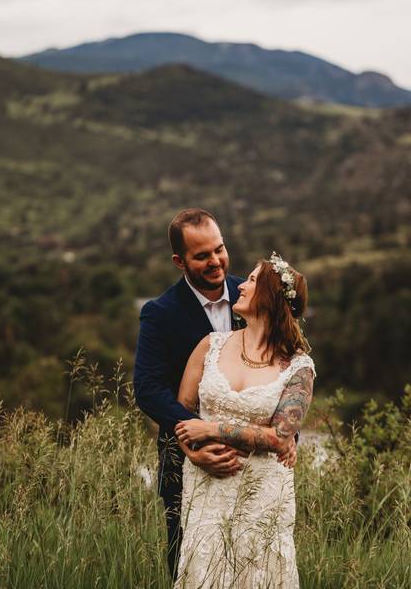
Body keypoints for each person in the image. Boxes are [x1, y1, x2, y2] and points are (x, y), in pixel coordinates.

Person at [134, 209, 298, 578]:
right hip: (187, 460)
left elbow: (287, 371)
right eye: (202, 255)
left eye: (219, 249)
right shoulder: (160, 314)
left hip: (258, 468)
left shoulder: (253, 296)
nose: (216, 261)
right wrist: (196, 438)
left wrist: (288, 433)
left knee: (258, 568)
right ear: (180, 261)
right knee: (192, 568)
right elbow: (148, 390)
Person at [172, 252, 315, 589]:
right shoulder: (211, 346)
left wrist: (213, 429)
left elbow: (280, 438)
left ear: (269, 297)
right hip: (207, 484)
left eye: (251, 280)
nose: (241, 285)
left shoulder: (298, 368)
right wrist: (193, 452)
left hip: (262, 494)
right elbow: (182, 412)